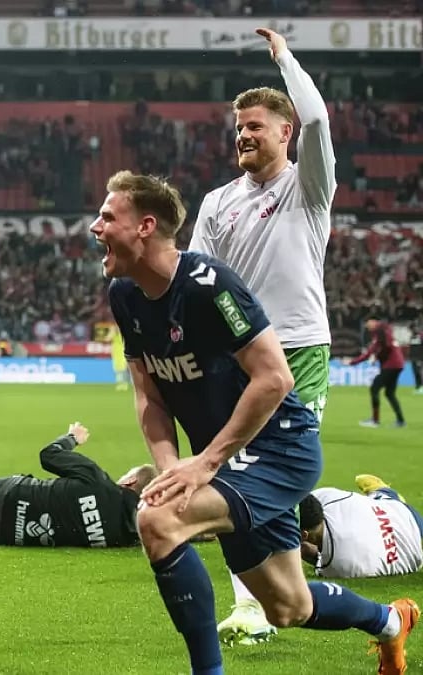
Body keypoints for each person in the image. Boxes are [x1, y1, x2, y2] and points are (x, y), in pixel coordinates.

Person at [95, 170, 417, 675]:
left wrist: (204, 464)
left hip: (279, 449)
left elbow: (274, 379)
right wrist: (170, 468)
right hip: (224, 463)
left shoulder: (209, 285)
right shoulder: (125, 295)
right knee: (288, 608)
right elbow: (149, 393)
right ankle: (391, 622)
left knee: (157, 522)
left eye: (108, 217)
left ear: (145, 226)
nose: (96, 227)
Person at [187, 28, 338, 645]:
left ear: (285, 132)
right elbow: (192, 285)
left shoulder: (308, 188)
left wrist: (283, 58)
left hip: (299, 346)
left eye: (256, 125)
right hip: (238, 356)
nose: (245, 135)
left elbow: (322, 121)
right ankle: (256, 596)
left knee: (270, 472)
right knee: (234, 475)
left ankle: (300, 555)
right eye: (238, 128)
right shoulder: (218, 202)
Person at [0, 422, 156, 548]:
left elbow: (49, 455)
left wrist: (72, 438)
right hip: (0, 536)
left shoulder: (96, 479)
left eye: (126, 474)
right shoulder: (129, 538)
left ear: (130, 481)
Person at [299, 475, 423, 579]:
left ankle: (382, 491)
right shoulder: (327, 496)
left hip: (413, 554)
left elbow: (316, 559)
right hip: (407, 516)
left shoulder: (335, 564)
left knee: (376, 500)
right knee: (376, 501)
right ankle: (382, 491)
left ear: (304, 535)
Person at [346, 317, 407, 428]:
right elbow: (379, 348)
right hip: (398, 364)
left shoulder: (380, 331)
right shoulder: (383, 330)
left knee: (375, 388)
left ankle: (375, 420)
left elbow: (382, 347)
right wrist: (377, 355)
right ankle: (400, 421)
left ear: (373, 321)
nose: (367, 326)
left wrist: (352, 362)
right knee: (389, 393)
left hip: (391, 365)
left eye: (368, 323)